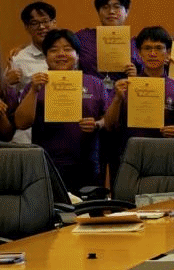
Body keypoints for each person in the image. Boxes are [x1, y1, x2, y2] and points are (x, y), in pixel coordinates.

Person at [13, 28, 113, 191]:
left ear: (77, 55)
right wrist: (34, 91)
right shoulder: (36, 84)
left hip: (87, 164)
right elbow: (21, 123)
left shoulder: (95, 84)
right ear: (46, 57)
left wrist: (97, 124)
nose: (61, 54)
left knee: (89, 206)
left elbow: (109, 119)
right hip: (47, 164)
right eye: (54, 50)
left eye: (67, 49)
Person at [105, 26, 174, 181]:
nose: (153, 54)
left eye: (158, 48)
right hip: (130, 158)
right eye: (147, 48)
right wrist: (117, 98)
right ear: (139, 53)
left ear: (168, 53)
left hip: (167, 157)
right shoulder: (126, 86)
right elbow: (109, 125)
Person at [4, 1, 57, 140]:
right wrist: (7, 83)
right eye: (34, 23)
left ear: (54, 23)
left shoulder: (69, 56)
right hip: (28, 136)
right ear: (27, 27)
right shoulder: (18, 59)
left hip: (62, 132)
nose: (41, 27)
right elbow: (6, 99)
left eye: (45, 21)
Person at [75, 0, 141, 85]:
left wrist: (135, 76)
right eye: (105, 7)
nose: (111, 11)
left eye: (117, 7)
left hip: (124, 90)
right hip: (90, 91)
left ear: (126, 12)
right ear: (98, 12)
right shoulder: (83, 37)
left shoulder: (136, 44)